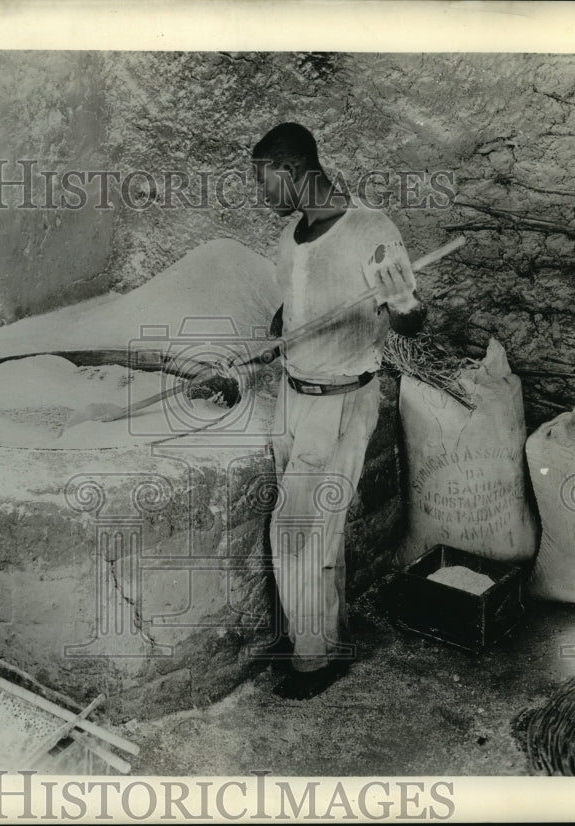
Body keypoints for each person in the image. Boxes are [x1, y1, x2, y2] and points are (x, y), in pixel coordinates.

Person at [250, 122, 426, 700]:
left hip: (341, 400)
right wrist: (273, 336)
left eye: (265, 178)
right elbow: (293, 308)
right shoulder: (289, 236)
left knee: (304, 530)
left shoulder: (371, 232)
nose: (261, 191)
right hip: (292, 395)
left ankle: (315, 661)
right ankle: (316, 634)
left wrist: (403, 305)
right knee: (303, 529)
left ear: (295, 171)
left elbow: (412, 320)